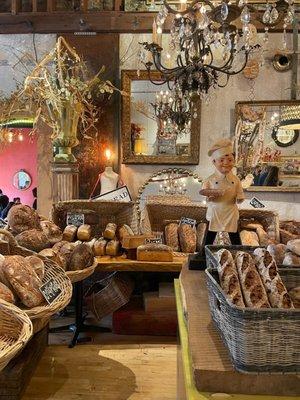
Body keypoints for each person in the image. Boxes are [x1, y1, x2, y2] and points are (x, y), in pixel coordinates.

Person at [199, 138, 245, 245]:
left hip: (230, 210)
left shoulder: (236, 179)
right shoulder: (210, 180)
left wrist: (240, 198)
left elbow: (239, 193)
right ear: (214, 162)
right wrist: (210, 195)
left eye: (230, 160)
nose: (226, 163)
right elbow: (203, 191)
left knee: (234, 235)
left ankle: (238, 252)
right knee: (210, 235)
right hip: (216, 211)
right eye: (222, 160)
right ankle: (204, 254)